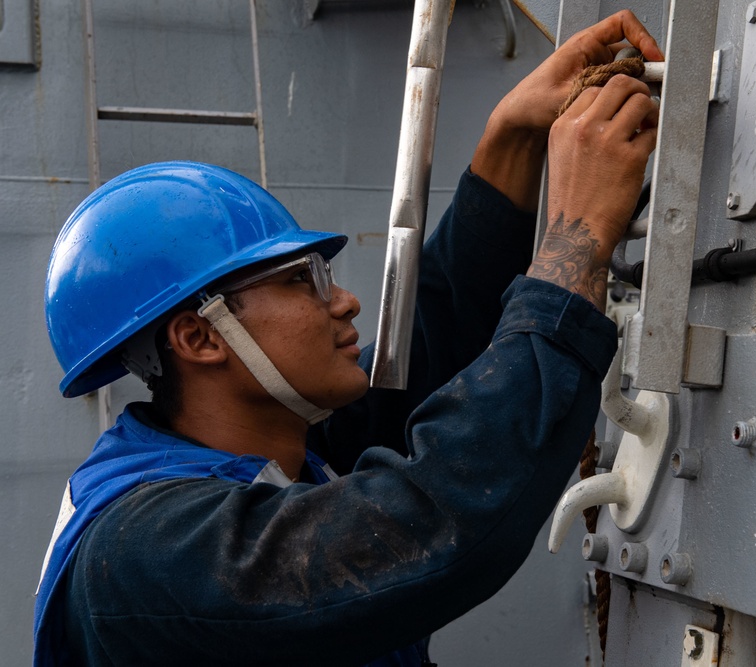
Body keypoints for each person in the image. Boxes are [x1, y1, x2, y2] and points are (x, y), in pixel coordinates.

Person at [35, 11, 662, 667]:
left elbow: (427, 347)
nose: (344, 299)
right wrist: (573, 246)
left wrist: (511, 142)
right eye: (303, 280)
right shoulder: (142, 556)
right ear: (199, 335)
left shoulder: (260, 454)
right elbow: (436, 518)